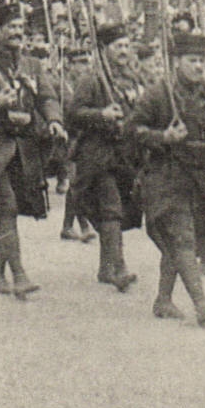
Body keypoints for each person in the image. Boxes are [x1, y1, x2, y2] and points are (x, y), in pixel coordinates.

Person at [128, 30, 205, 325]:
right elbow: (130, 131)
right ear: (176, 62)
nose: (198, 67)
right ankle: (201, 302)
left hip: (201, 179)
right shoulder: (158, 94)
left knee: (178, 244)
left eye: (201, 62)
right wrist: (162, 136)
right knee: (182, 238)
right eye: (192, 61)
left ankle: (163, 300)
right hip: (165, 176)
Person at [0, 3, 65, 297]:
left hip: (25, 147)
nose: (18, 33)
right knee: (7, 206)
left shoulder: (31, 64)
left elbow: (47, 97)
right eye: (12, 28)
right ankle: (19, 275)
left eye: (21, 27)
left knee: (11, 212)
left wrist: (54, 120)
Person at [65, 22, 145, 293]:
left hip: (124, 155)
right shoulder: (92, 79)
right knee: (111, 209)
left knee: (117, 209)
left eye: (126, 45)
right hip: (97, 155)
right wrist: (101, 115)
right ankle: (118, 268)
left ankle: (104, 268)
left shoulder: (132, 79)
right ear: (104, 50)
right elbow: (73, 113)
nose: (124, 51)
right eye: (118, 46)